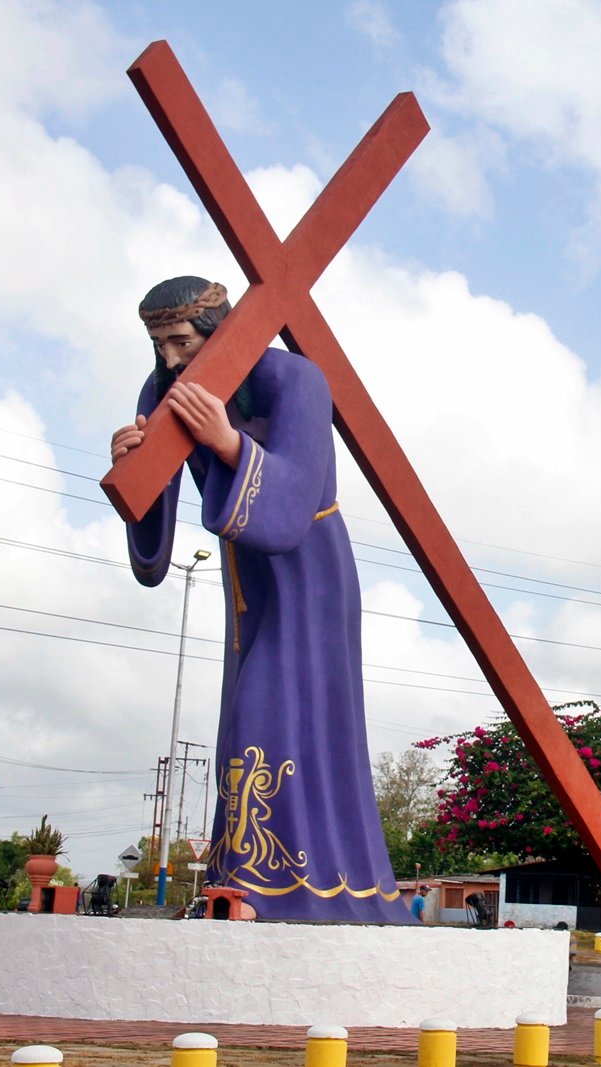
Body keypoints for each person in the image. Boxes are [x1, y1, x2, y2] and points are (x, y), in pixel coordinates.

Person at [111, 276, 410, 923]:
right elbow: (153, 555)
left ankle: (268, 888)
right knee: (241, 730)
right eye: (158, 344)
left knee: (270, 715)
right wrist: (133, 468)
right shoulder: (161, 392)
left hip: (309, 573)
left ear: (219, 330)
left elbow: (292, 504)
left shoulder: (295, 381)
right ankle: (242, 880)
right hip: (245, 581)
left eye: (181, 341)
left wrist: (226, 442)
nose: (169, 360)